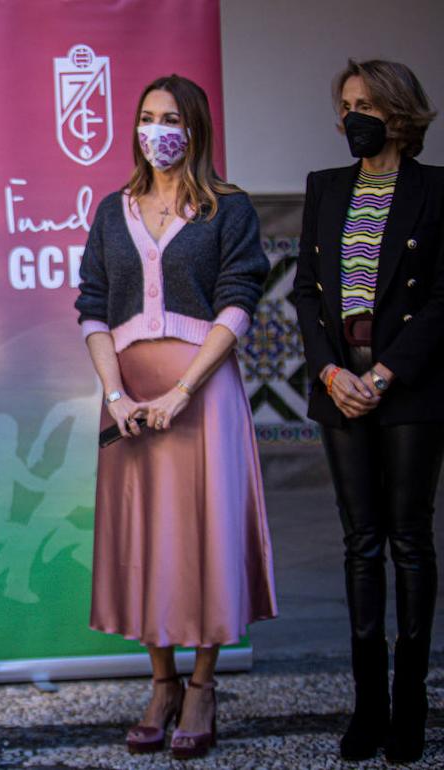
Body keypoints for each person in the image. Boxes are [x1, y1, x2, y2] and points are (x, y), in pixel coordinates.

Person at [74, 74, 276, 760]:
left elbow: (239, 301)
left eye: (170, 119)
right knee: (145, 536)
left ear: (195, 130)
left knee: (205, 533)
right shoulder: (113, 210)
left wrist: (183, 391)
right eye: (147, 117)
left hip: (202, 392)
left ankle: (202, 685)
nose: (156, 131)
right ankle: (161, 684)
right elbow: (93, 306)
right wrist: (117, 396)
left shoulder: (229, 208)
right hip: (129, 398)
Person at [290, 59, 443, 764]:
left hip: (408, 383)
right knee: (361, 542)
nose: (353, 117)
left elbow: (442, 297)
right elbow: (306, 292)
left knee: (409, 540)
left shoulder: (435, 190)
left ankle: (410, 706)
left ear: (400, 114)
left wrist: (383, 373)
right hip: (338, 380)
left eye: (367, 105)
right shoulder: (325, 187)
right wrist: (330, 371)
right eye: (346, 105)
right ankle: (368, 707)